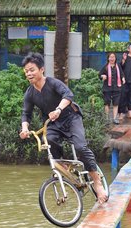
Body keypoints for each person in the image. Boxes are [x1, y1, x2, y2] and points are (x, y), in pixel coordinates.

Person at [19, 53, 108, 204]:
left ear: (41, 70)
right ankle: (65, 169)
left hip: (71, 118)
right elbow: (25, 113)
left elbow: (68, 94)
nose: (29, 73)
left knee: (80, 147)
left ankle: (97, 182)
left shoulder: (53, 83)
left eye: (32, 70)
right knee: (49, 140)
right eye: (26, 71)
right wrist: (24, 129)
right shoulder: (30, 93)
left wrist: (59, 109)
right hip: (53, 124)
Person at [99, 52, 125, 124]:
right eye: (110, 57)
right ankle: (106, 119)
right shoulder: (106, 66)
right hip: (107, 88)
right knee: (107, 103)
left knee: (116, 104)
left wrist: (123, 78)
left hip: (117, 88)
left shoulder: (118, 66)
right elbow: (100, 74)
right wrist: (102, 76)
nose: (112, 58)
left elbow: (122, 73)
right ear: (108, 58)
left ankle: (114, 118)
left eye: (113, 57)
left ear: (115, 58)